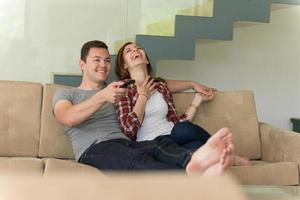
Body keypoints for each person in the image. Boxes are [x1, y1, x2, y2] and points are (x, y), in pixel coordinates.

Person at [52, 40, 234, 175]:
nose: (103, 65)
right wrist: (101, 96)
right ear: (82, 64)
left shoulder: (119, 88)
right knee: (138, 161)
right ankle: (192, 177)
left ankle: (196, 164)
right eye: (97, 60)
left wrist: (192, 84)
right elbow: (67, 117)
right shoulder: (67, 94)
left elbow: (157, 84)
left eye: (107, 60)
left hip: (127, 143)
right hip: (95, 149)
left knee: (160, 147)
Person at [114, 42, 250, 166]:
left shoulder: (160, 86)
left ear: (147, 59)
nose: (135, 50)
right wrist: (142, 96)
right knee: (191, 143)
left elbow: (177, 122)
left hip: (173, 134)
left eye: (138, 48)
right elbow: (129, 130)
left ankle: (224, 154)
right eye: (128, 51)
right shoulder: (123, 91)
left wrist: (197, 101)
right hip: (152, 144)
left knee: (186, 133)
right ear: (124, 65)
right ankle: (227, 155)